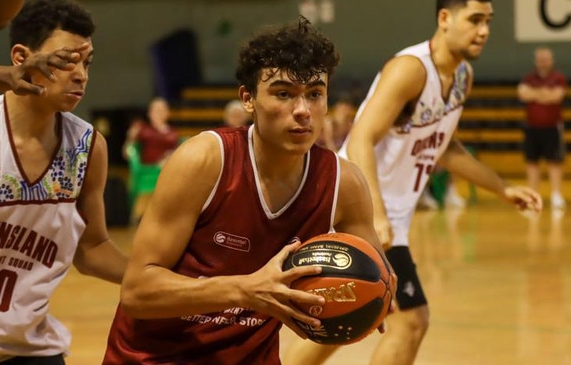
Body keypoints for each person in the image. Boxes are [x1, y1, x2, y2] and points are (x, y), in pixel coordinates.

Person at [103, 17, 395, 365]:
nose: (302, 110)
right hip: (153, 358)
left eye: (315, 94)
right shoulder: (205, 160)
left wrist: (366, 301)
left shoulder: (343, 183)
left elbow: (377, 281)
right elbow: (137, 291)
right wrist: (246, 290)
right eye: (283, 94)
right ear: (248, 99)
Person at [283, 1, 543, 365]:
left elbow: (444, 148)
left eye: (488, 21)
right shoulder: (410, 69)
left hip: (388, 212)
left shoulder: (462, 77)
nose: (484, 30)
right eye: (475, 20)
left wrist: (502, 188)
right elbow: (361, 138)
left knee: (349, 315)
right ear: (444, 18)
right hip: (356, 203)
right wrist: (373, 217)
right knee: (412, 320)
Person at [0, 1, 128, 363]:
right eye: (67, 61)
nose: (81, 75)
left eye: (87, 63)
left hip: (26, 350)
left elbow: (93, 247)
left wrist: (162, 277)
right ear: (22, 56)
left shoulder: (87, 146)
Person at [517, 47, 567, 210]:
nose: (543, 62)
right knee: (532, 162)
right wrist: (544, 93)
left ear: (551, 61)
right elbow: (523, 94)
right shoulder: (528, 78)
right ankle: (532, 195)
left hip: (552, 128)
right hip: (532, 127)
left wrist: (535, 94)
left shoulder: (558, 78)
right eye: (540, 59)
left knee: (555, 162)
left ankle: (556, 195)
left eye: (546, 59)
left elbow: (556, 97)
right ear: (536, 61)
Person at [123, 96, 179, 221]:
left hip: (168, 169)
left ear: (168, 113)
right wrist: (130, 138)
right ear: (149, 113)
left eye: (162, 110)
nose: (159, 113)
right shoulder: (142, 130)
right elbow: (127, 153)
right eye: (156, 110)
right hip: (147, 172)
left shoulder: (173, 132)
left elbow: (177, 151)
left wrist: (169, 158)